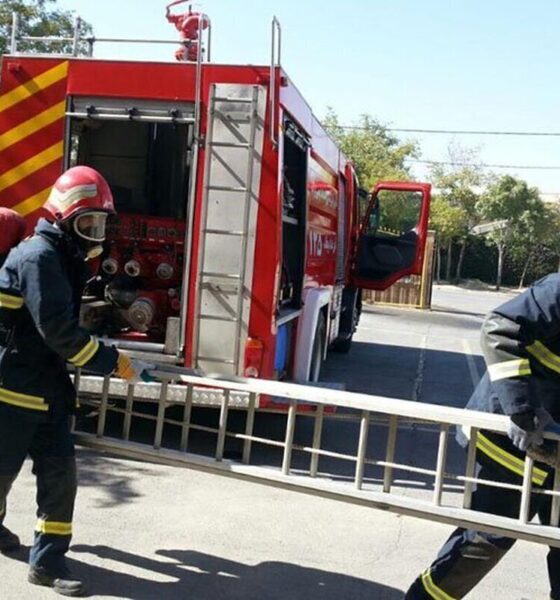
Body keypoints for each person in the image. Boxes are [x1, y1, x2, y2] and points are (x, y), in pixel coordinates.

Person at [0, 166, 152, 597]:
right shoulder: (38, 258)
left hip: (46, 390)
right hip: (12, 392)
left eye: (100, 225)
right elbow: (59, 333)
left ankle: (47, 564)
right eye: (88, 224)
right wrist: (115, 363)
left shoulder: (60, 257)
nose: (94, 235)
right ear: (62, 218)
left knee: (60, 479)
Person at [405, 273, 560, 599]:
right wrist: (523, 409)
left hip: (554, 455)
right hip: (511, 450)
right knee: (479, 547)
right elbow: (500, 328)